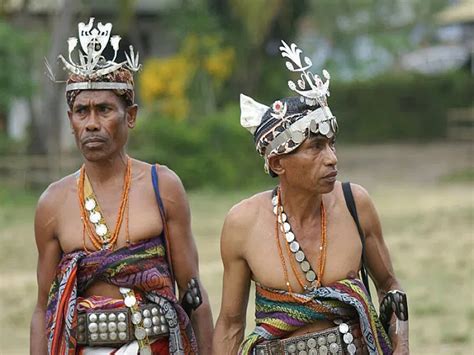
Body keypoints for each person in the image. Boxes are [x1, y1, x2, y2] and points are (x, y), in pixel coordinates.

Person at [30, 18, 213, 355]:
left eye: (104, 110)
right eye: (81, 112)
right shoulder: (52, 204)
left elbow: (193, 293)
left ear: (130, 116)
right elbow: (43, 307)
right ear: (70, 121)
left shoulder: (162, 187)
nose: (92, 124)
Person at [213, 41, 409, 355]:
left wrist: (401, 348)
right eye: (316, 146)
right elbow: (230, 323)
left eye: (332, 144)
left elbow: (390, 288)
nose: (332, 158)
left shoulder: (355, 204)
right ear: (278, 163)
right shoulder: (243, 223)